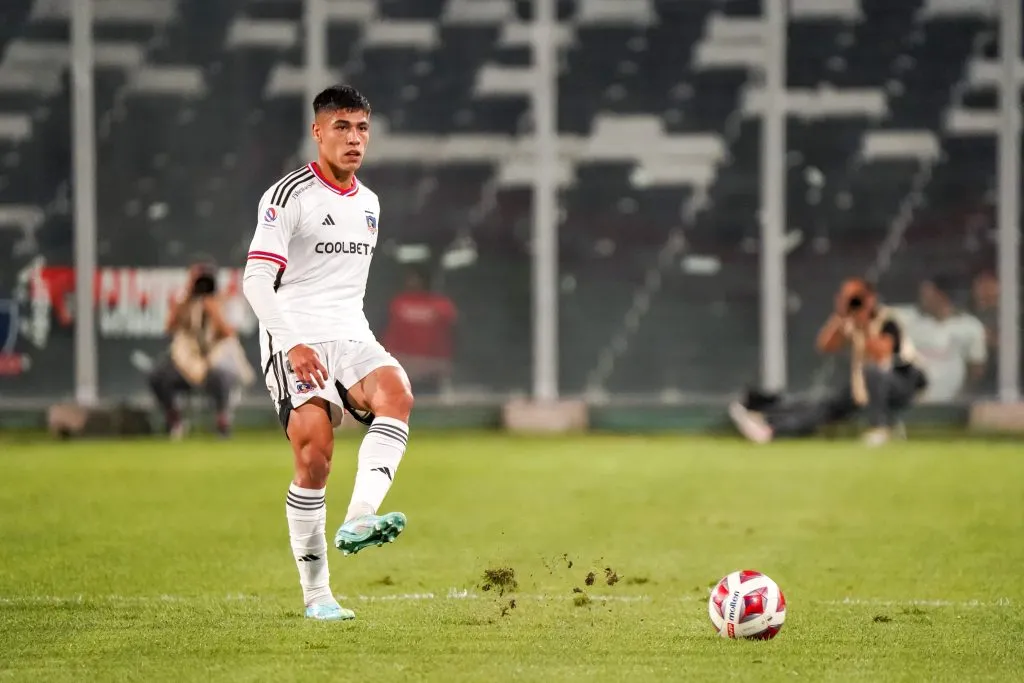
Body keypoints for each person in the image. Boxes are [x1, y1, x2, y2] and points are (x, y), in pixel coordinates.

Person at [241, 85, 414, 622]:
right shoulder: (288, 194)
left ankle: (359, 517)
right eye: (342, 127)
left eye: (362, 127)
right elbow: (255, 281)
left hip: (349, 331)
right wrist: (291, 343)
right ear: (318, 132)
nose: (354, 138)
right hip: (294, 333)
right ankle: (317, 595)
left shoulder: (369, 203)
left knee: (397, 394)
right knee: (315, 454)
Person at [729, 278, 928, 446]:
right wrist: (840, 317)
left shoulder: (886, 320)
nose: (854, 306)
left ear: (870, 299)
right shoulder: (850, 322)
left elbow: (882, 355)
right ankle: (770, 427)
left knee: (874, 374)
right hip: (865, 387)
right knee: (824, 408)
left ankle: (880, 428)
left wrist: (861, 332)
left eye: (857, 300)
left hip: (903, 381)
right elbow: (824, 345)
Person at [149, 261, 245, 438]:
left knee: (223, 375)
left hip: (215, 357)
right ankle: (175, 421)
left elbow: (229, 333)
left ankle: (222, 421)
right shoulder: (183, 300)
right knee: (158, 376)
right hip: (187, 359)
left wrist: (214, 310)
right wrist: (186, 296)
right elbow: (169, 327)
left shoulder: (224, 300)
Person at [890, 275, 986, 402]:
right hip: (910, 401)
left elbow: (976, 368)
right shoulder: (903, 319)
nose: (923, 297)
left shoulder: (971, 326)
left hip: (952, 404)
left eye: (928, 292)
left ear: (942, 296)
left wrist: (964, 398)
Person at [382, 266, 457, 394]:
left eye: (416, 278)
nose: (412, 282)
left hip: (432, 368)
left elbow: (454, 335)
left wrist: (447, 362)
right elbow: (384, 331)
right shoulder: (397, 303)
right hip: (403, 365)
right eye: (410, 278)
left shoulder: (442, 306)